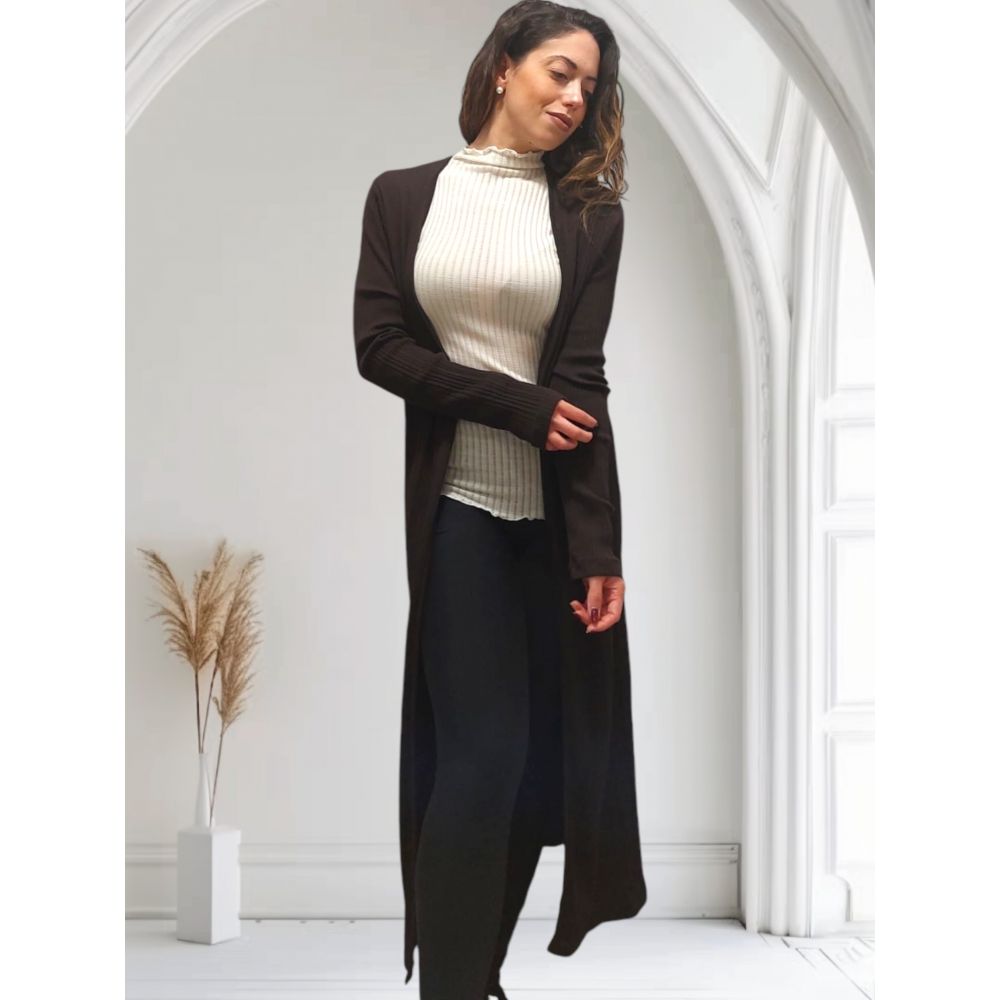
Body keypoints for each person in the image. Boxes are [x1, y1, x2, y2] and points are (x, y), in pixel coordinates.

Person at [353, 3, 641, 998]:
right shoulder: (403, 198)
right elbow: (380, 349)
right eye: (559, 72)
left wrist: (599, 549)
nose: (574, 98)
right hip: (459, 508)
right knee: (478, 758)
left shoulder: (591, 217)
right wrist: (515, 406)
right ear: (503, 68)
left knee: (532, 773)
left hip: (556, 525)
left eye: (589, 87)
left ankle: (476, 978)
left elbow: (584, 383)